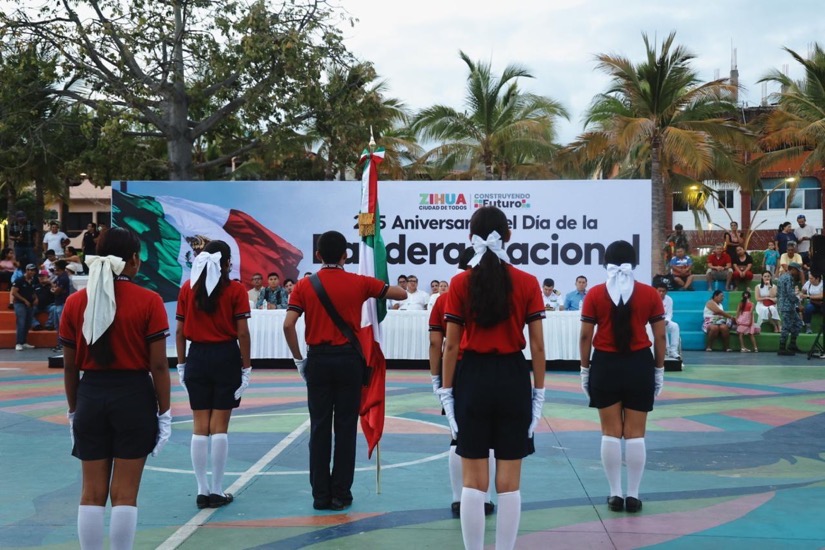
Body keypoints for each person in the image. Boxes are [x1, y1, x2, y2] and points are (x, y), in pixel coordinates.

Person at [438, 206, 546, 550]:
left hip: (472, 377)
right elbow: (539, 346)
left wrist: (446, 391)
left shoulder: (458, 283)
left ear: (471, 239)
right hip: (513, 377)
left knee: (473, 481)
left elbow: (451, 345)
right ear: (508, 237)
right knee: (510, 482)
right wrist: (539, 392)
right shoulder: (528, 282)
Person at [61, 227, 171, 550]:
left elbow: (69, 367)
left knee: (91, 492)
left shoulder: (75, 302)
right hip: (134, 395)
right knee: (125, 493)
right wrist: (164, 413)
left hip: (90, 395)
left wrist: (73, 409)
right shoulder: (149, 301)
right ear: (134, 260)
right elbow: (159, 366)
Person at [284, 231, 406, 511]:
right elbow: (400, 293)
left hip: (318, 361)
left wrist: (299, 360)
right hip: (349, 362)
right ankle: (341, 493)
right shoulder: (360, 282)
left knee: (319, 428)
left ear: (318, 255)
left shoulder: (304, 286)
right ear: (345, 255)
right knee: (346, 428)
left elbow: (288, 325)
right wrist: (380, 284)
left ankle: (320, 495)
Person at [579, 240, 665, 516]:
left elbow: (584, 336)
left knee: (610, 432)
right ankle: (634, 495)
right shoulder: (650, 294)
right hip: (640, 364)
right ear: (634, 263)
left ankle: (615, 493)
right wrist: (659, 369)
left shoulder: (593, 294)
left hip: (604, 364)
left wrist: (584, 369)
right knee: (636, 434)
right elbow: (660, 336)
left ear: (606, 264)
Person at [175, 240, 252, 509]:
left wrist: (182, 364)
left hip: (196, 356)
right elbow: (242, 332)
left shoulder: (188, 289)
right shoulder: (235, 290)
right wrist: (246, 367)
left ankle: (202, 489)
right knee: (220, 426)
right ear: (227, 263)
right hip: (226, 357)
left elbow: (179, 331)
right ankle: (217, 490)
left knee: (200, 425)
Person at [428, 248, 495, 517]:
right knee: (489, 438)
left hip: (455, 369)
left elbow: (436, 343)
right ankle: (486, 498)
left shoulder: (444, 299)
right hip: (490, 366)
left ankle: (459, 498)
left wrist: (437, 379)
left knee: (458, 436)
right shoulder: (494, 294)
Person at [777, 262, 804, 355]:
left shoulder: (782, 277)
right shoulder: (788, 278)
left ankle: (792, 345)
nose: (798, 273)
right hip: (786, 306)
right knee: (786, 326)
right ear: (793, 269)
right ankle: (782, 348)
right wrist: (798, 303)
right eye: (797, 271)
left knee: (798, 323)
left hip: (787, 305)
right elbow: (790, 293)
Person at [11, 264, 39, 351]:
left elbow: (33, 291)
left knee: (28, 322)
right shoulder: (19, 280)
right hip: (20, 303)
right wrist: (24, 300)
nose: (32, 272)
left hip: (30, 304)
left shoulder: (34, 280)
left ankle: (24, 342)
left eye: (33, 270)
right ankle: (18, 343)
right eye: (30, 270)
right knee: (21, 322)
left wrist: (36, 298)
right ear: (26, 270)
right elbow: (14, 292)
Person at [654, 281, 681, 359]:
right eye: (660, 291)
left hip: (664, 321)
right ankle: (665, 349)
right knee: (661, 328)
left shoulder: (669, 299)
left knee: (675, 326)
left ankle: (673, 351)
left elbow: (669, 313)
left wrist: (667, 320)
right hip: (653, 322)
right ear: (656, 290)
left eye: (663, 291)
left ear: (666, 292)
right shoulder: (651, 298)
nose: (661, 293)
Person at [51, 260, 73, 352]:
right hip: (58, 303)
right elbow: (54, 288)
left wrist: (54, 290)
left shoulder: (63, 278)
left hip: (62, 303)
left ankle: (62, 345)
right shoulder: (60, 277)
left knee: (61, 325)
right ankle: (59, 343)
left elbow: (56, 290)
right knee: (57, 325)